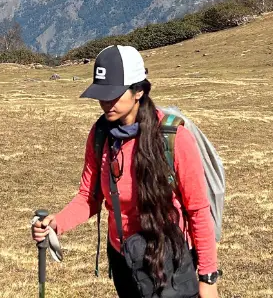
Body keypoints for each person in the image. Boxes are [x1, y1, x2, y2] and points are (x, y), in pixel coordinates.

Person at [32, 45, 221, 298]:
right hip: (124, 260)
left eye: (114, 95)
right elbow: (89, 196)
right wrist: (57, 223)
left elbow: (198, 210)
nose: (105, 103)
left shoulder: (173, 139)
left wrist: (208, 278)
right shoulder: (101, 135)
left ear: (139, 91)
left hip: (169, 261)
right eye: (101, 95)